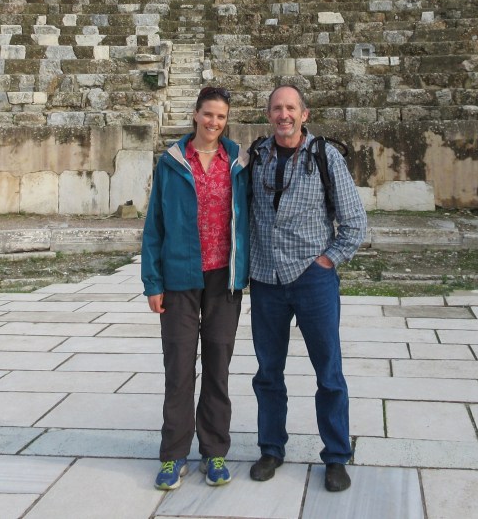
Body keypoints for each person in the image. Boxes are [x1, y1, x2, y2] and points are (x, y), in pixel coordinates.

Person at [247, 84, 367, 493]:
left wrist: (328, 260)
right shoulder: (257, 156)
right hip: (266, 279)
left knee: (328, 372)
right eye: (277, 108)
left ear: (304, 114)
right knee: (268, 372)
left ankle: (336, 456)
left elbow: (354, 222)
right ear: (269, 114)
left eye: (290, 108)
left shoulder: (325, 156)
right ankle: (271, 448)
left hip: (312, 278)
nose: (284, 115)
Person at [141, 85, 250, 491]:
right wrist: (153, 282)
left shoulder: (238, 161)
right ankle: (173, 455)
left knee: (218, 367)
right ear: (195, 114)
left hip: (224, 279)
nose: (213, 122)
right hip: (180, 278)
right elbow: (154, 225)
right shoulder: (171, 162)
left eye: (221, 116)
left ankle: (214, 451)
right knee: (179, 369)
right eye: (208, 114)